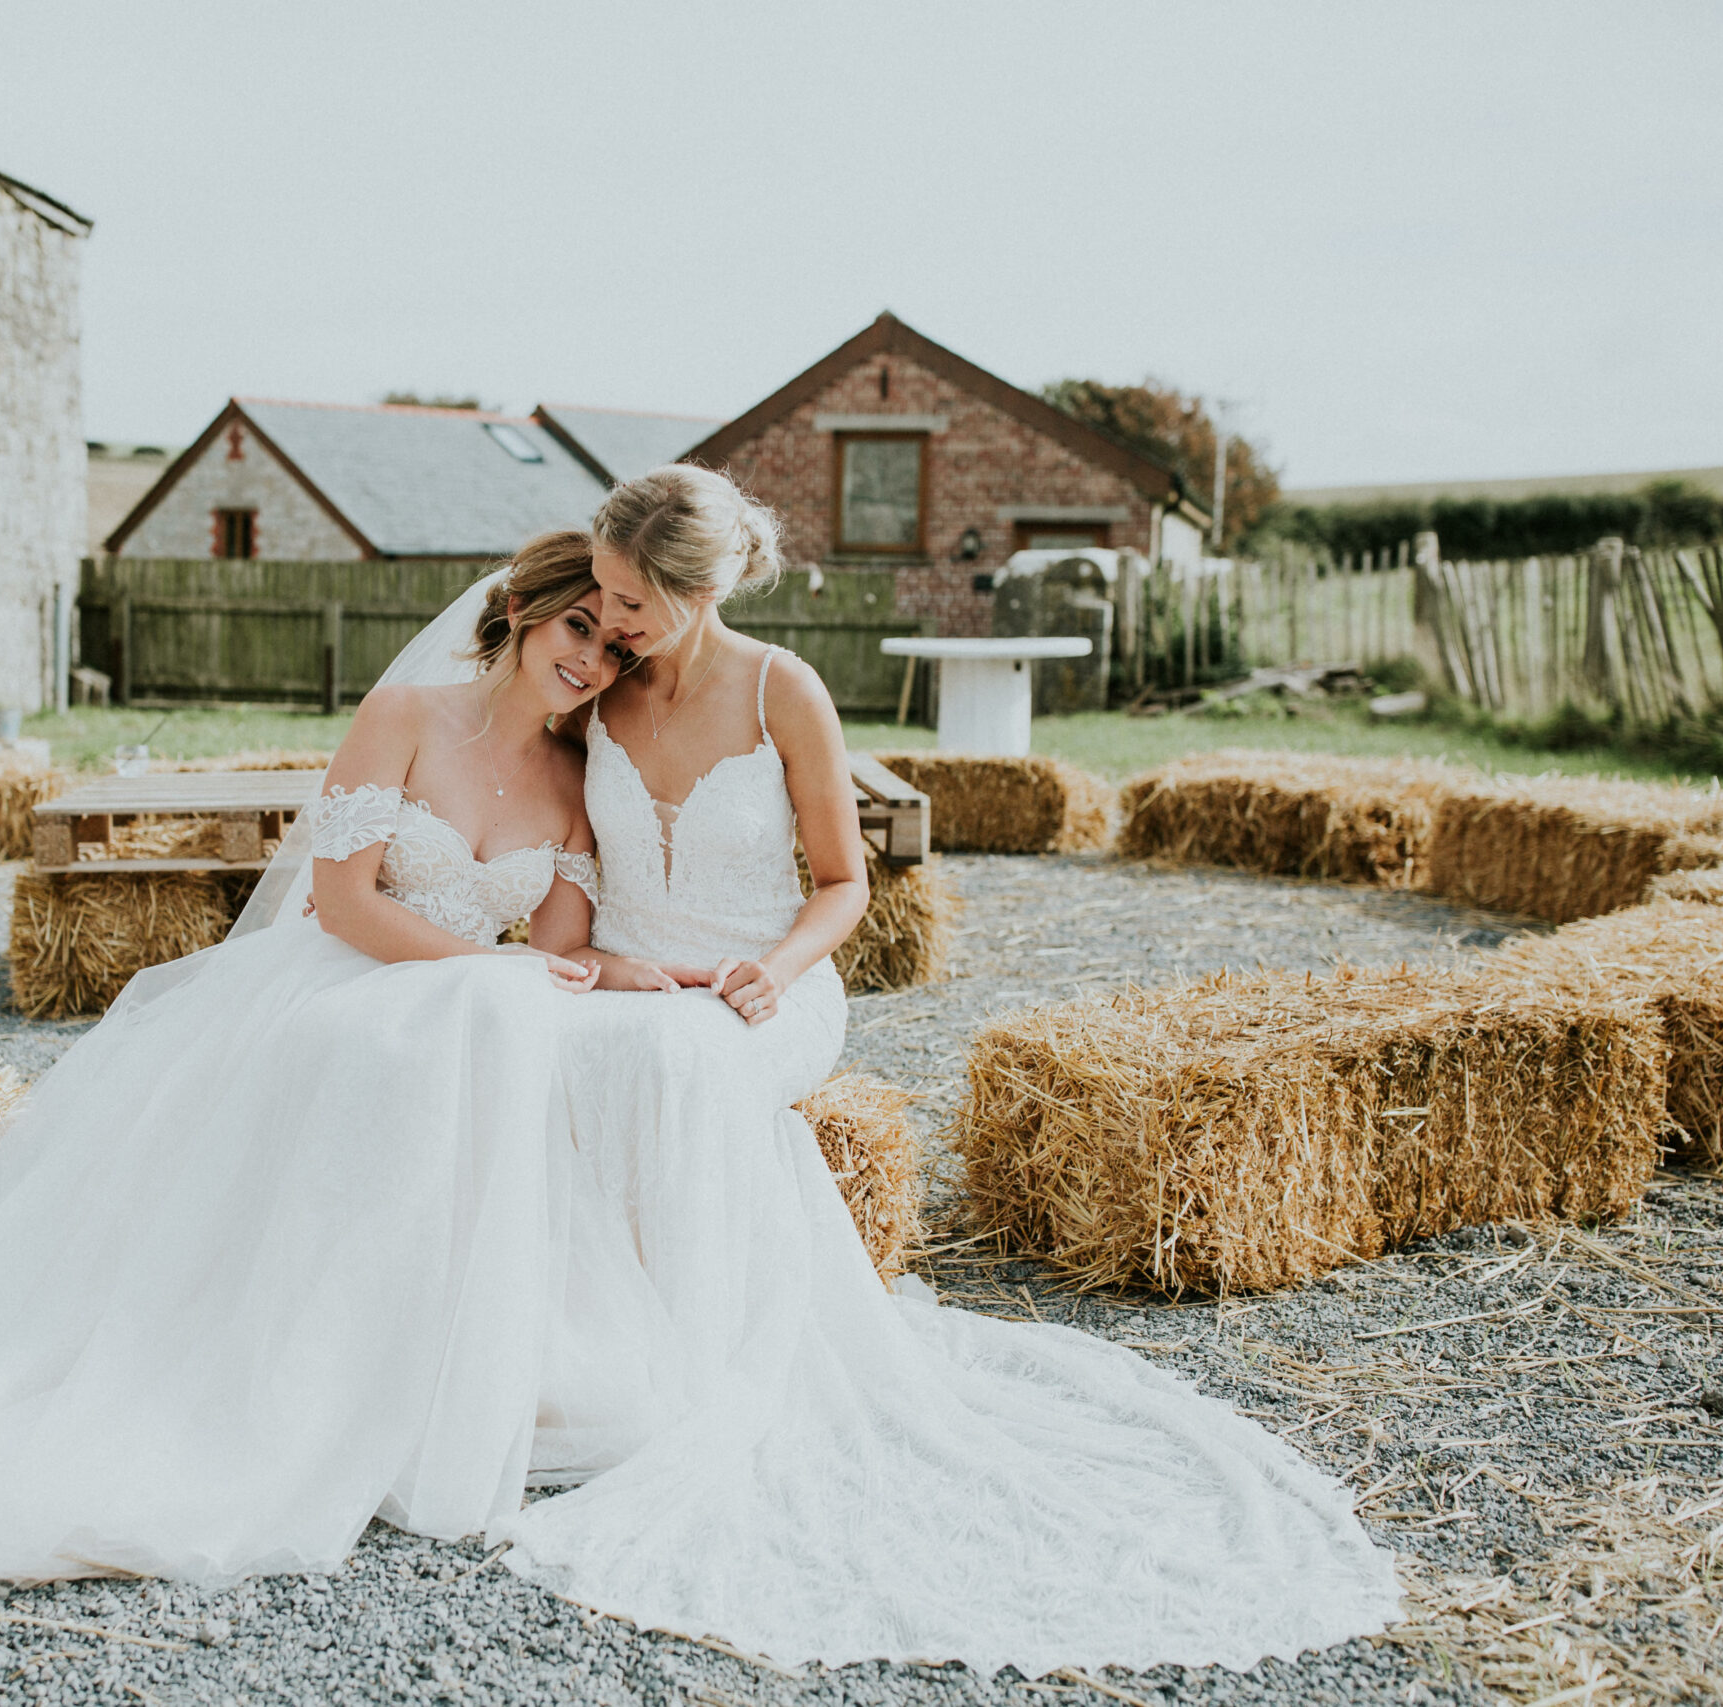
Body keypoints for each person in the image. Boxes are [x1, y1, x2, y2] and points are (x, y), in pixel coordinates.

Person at [496, 466, 1402, 1672]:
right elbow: (550, 836)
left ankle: (689, 1383)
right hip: (642, 979)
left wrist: (772, 968)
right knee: (539, 1043)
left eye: (630, 601)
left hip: (771, 986)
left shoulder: (783, 692)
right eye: (602, 596)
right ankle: (560, 1364)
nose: (609, 621)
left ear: (704, 587)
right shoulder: (597, 697)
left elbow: (842, 884)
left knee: (683, 1062)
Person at [0, 532, 616, 1598]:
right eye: (577, 626)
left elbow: (561, 956)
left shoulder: (576, 778)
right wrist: (485, 973)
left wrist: (616, 976)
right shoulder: (406, 717)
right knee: (383, 1052)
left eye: (615, 650)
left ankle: (430, 1382)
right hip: (340, 987)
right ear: (523, 609)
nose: (590, 661)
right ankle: (282, 1391)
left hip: (464, 1016)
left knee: (481, 1047)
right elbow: (345, 900)